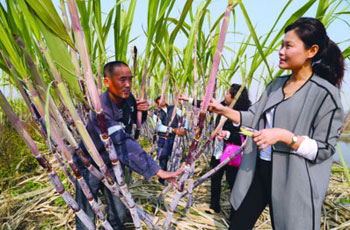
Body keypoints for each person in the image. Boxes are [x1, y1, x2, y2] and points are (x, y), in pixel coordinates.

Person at [208, 17, 345, 229]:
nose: (281, 51)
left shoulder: (326, 95)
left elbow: (324, 149)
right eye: (281, 45)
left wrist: (284, 136)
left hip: (292, 177)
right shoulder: (275, 84)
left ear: (312, 51)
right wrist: (224, 110)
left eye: (288, 46)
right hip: (258, 170)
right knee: (238, 224)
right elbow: (254, 116)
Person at [74, 61, 183, 229]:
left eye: (130, 79)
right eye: (122, 79)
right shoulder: (100, 109)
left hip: (112, 165)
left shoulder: (129, 100)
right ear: (107, 81)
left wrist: (142, 112)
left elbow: (129, 125)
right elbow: (122, 140)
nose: (127, 85)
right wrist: (157, 170)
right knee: (86, 213)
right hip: (89, 164)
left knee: (119, 210)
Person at [179, 85, 251, 213]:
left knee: (232, 181)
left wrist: (227, 134)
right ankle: (214, 207)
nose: (225, 94)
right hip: (218, 151)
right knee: (215, 178)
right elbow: (205, 104)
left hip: (232, 154)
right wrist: (188, 99)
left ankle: (236, 212)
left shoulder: (242, 113)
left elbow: (243, 136)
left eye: (228, 93)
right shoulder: (223, 106)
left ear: (234, 96)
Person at [153, 96, 187, 185]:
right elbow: (158, 127)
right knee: (163, 158)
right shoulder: (156, 113)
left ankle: (174, 178)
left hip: (175, 139)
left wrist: (185, 128)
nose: (162, 100)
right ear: (157, 102)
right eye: (160, 100)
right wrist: (173, 130)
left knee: (175, 157)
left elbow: (184, 117)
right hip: (164, 139)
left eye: (163, 99)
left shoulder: (174, 108)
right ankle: (162, 179)